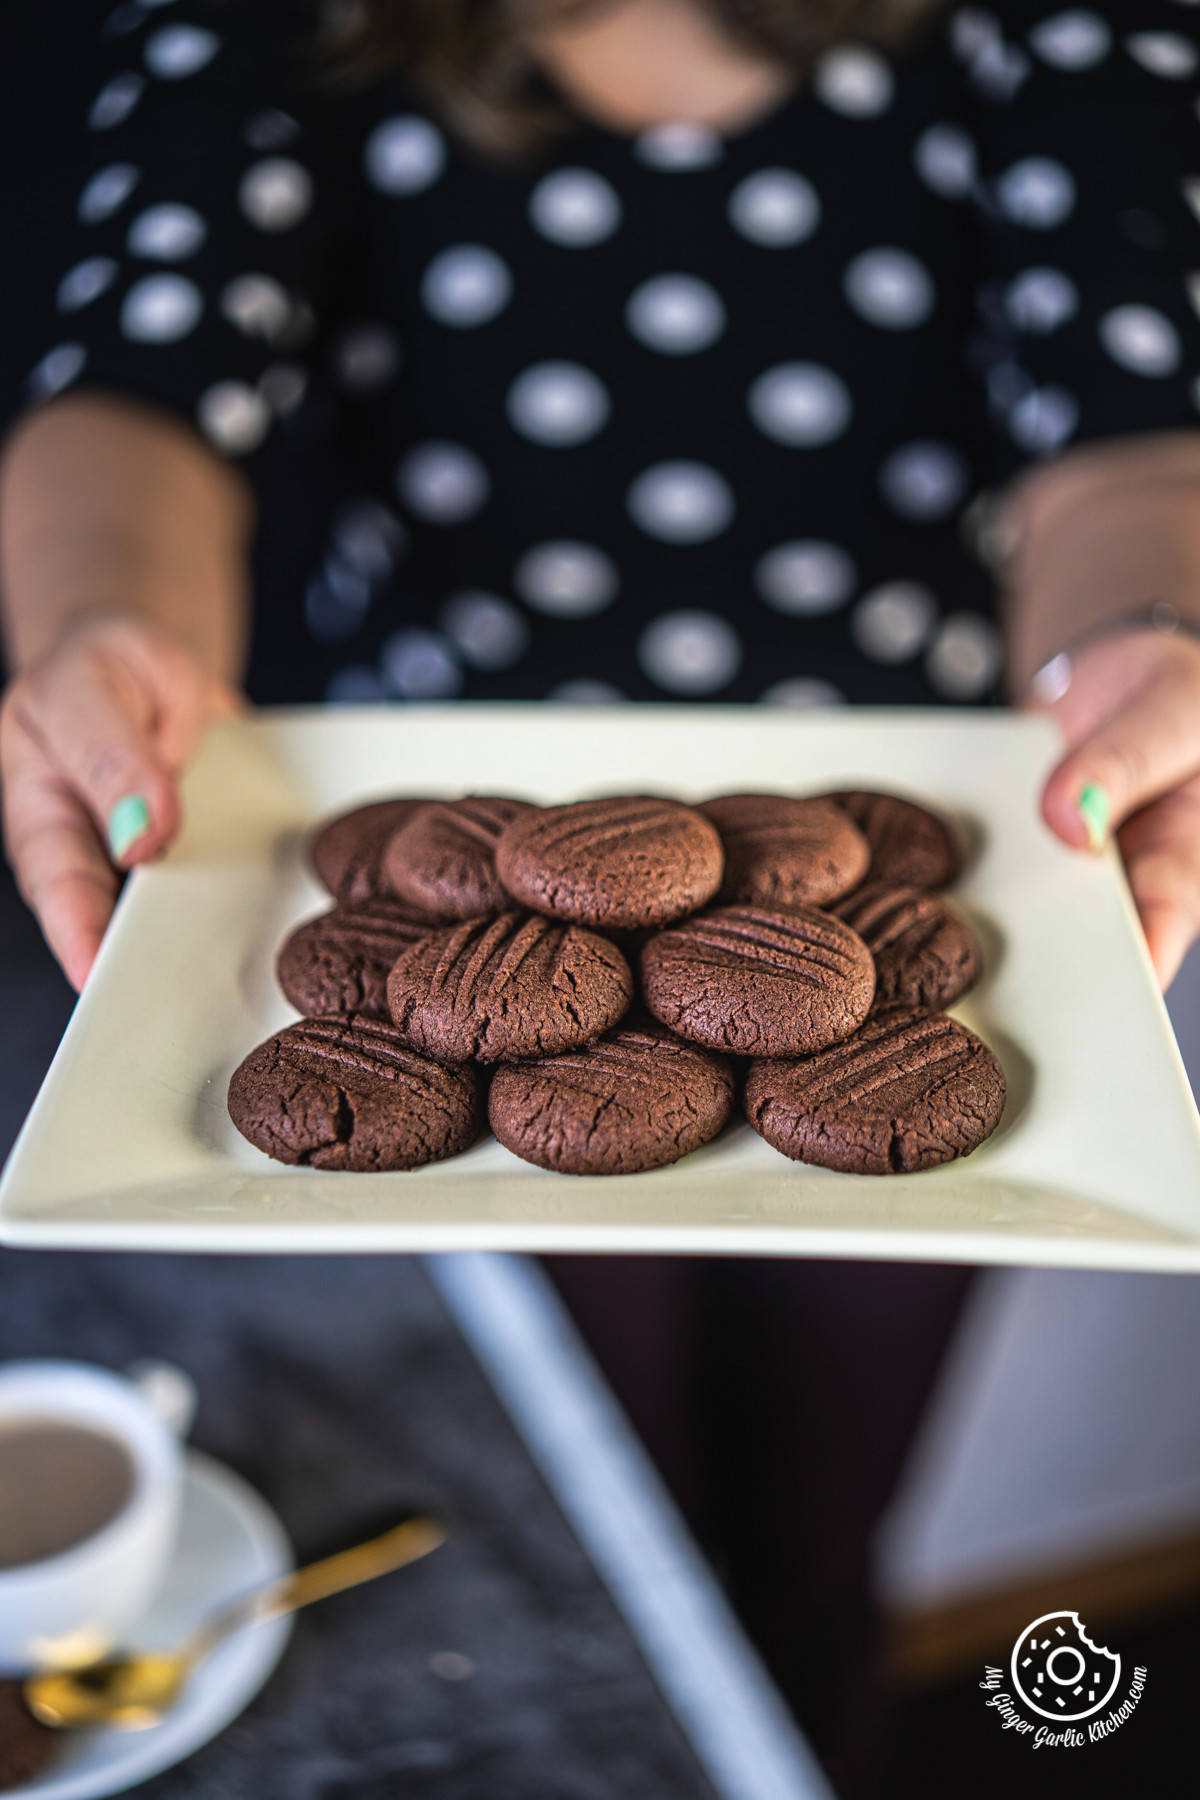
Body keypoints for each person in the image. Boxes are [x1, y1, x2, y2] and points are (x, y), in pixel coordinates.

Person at [3, 0, 1200, 1773]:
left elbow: (1131, 433)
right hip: (443, 857)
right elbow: (138, 387)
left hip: (905, 862)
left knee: (825, 1503)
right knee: (584, 1487)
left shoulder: (1054, 33)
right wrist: (109, 633)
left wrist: (1142, 643)